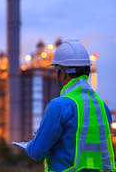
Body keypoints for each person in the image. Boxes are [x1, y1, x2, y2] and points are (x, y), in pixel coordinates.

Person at [25, 40, 115, 172]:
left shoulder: (58, 107)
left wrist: (31, 144)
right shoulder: (103, 108)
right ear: (87, 73)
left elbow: (37, 152)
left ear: (62, 73)